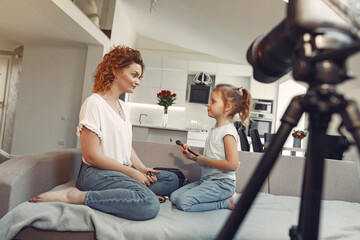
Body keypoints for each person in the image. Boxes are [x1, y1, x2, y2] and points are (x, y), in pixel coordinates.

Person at [29, 46, 179, 220]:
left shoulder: (123, 106)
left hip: (120, 171)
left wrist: (142, 168)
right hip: (96, 173)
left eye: (139, 77)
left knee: (171, 179)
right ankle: (75, 196)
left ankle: (129, 194)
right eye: (134, 75)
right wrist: (131, 173)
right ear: (116, 71)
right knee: (149, 203)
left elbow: (126, 146)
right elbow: (91, 155)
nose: (137, 81)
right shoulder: (94, 103)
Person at [170, 84, 251, 212]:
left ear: (227, 107)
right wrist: (191, 156)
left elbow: (232, 165)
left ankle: (226, 203)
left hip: (222, 184)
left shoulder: (228, 132)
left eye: (213, 101)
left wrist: (205, 160)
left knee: (183, 202)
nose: (208, 104)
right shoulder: (214, 130)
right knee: (174, 197)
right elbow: (211, 158)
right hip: (207, 181)